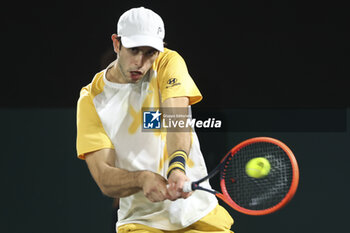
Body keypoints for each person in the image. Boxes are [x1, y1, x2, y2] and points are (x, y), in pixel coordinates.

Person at [76, 6, 234, 233]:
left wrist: (177, 168)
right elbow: (103, 176)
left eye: (150, 52)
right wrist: (142, 179)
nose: (141, 62)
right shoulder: (91, 99)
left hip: (198, 212)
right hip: (141, 222)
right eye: (134, 50)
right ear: (116, 43)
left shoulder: (169, 63)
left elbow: (176, 121)